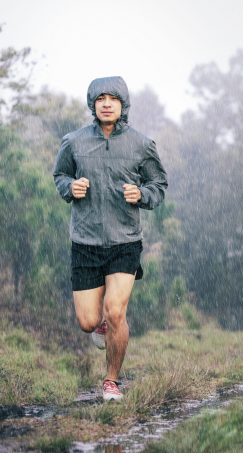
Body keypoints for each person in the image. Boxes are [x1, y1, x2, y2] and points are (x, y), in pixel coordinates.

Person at [53, 76, 168, 401]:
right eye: (100, 98)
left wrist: (141, 193)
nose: (106, 103)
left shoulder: (141, 144)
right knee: (89, 322)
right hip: (86, 242)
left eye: (113, 99)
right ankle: (101, 327)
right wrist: (68, 188)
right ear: (93, 104)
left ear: (123, 105)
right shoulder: (73, 142)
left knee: (116, 311)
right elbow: (60, 175)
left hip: (124, 242)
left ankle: (112, 381)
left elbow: (158, 185)